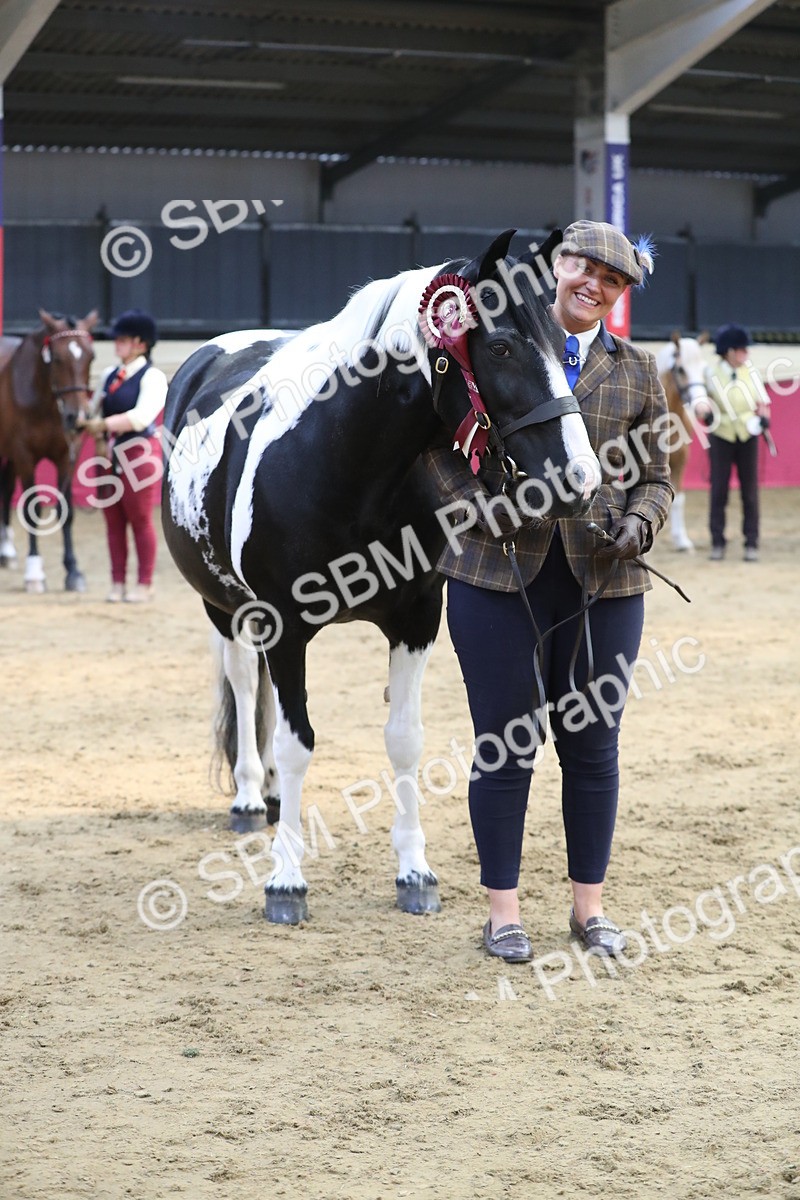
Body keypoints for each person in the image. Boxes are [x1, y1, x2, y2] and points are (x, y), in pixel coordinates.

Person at [425, 221, 673, 963]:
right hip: (495, 574)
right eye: (584, 267)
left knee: (594, 748)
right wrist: (481, 510)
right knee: (506, 746)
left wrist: (640, 521)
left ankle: (587, 910)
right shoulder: (491, 346)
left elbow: (658, 477)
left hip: (606, 580)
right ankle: (503, 914)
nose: (594, 284)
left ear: (621, 294)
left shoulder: (636, 371)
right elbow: (434, 455)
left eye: (613, 279)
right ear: (556, 266)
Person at [80, 309, 167, 603]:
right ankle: (117, 582)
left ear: (141, 344)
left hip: (138, 454)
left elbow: (142, 417)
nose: (117, 343)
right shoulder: (109, 375)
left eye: (124, 339)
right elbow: (92, 409)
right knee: (113, 521)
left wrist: (103, 425)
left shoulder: (153, 377)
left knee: (140, 519)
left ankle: (145, 582)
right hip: (107, 454)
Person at [704, 324, 771, 562]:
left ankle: (751, 542)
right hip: (721, 435)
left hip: (747, 436)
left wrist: (764, 419)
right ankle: (717, 542)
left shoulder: (750, 373)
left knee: (750, 492)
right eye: (743, 349)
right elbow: (702, 402)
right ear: (730, 351)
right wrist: (706, 413)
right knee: (719, 490)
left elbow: (763, 401)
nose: (746, 354)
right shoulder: (710, 374)